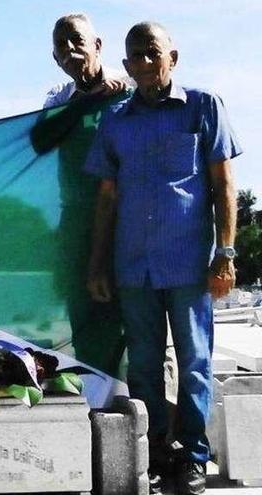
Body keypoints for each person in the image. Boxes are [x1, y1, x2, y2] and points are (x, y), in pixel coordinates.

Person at [85, 22, 241, 495]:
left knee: (195, 363)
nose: (145, 63)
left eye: (153, 52)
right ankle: (152, 456)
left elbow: (224, 186)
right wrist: (96, 263)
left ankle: (193, 458)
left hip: (191, 265)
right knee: (145, 366)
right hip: (134, 266)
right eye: (135, 56)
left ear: (173, 56)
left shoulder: (202, 107)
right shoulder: (115, 121)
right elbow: (107, 198)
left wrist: (225, 252)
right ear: (126, 65)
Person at [33, 13, 131, 377]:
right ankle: (97, 401)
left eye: (76, 40)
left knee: (134, 312)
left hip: (130, 219)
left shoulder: (132, 89)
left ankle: (141, 409)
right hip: (77, 221)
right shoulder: (58, 99)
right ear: (55, 59)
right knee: (85, 310)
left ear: (98, 46)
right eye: (61, 45)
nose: (70, 49)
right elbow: (40, 140)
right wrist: (89, 101)